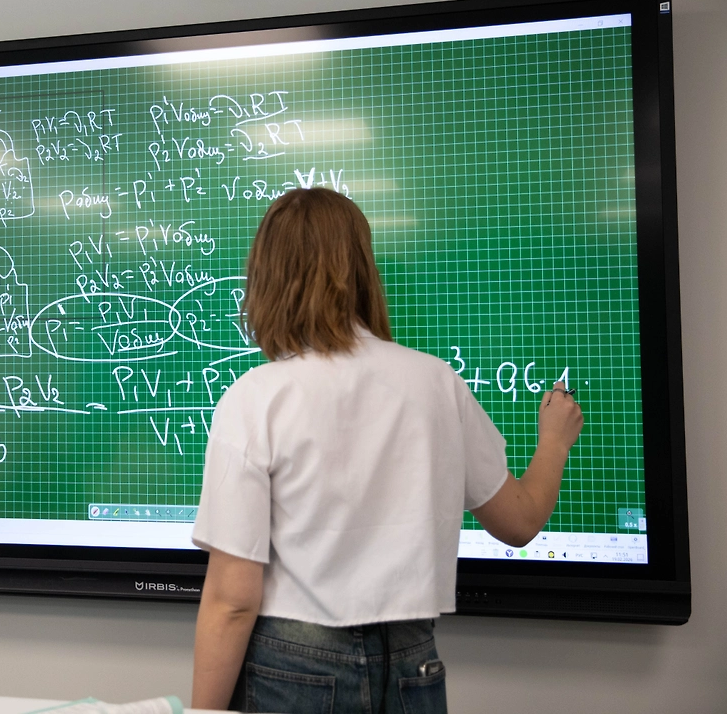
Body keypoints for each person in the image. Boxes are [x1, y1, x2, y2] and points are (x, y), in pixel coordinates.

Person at [190, 188, 584, 713]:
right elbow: (519, 522)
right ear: (363, 272)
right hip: (411, 664)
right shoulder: (437, 384)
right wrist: (554, 441)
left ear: (266, 281)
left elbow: (233, 599)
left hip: (293, 664)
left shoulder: (255, 398)